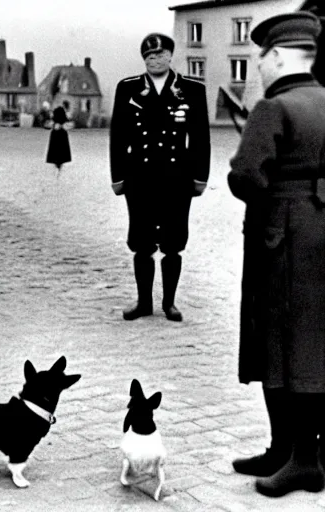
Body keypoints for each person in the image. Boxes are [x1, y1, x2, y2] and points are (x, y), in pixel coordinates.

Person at [228, 12, 325, 498]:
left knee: (283, 342)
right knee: (314, 336)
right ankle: (294, 451)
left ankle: (299, 458)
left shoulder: (273, 107)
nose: (260, 67)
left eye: (262, 57)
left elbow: (246, 177)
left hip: (282, 234)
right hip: (321, 229)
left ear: (281, 56)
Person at [109, 33, 210, 322]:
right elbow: (118, 136)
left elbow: (201, 138)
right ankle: (143, 303)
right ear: (144, 59)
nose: (155, 60)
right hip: (139, 177)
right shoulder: (128, 88)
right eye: (149, 56)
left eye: (161, 55)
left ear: (170, 56)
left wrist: (201, 176)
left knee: (173, 242)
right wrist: (117, 176)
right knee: (141, 242)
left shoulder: (190, 90)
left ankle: (169, 303)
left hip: (177, 178)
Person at [46, 105, 72, 176]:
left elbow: (47, 125)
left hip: (55, 135)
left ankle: (57, 167)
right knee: (62, 153)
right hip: (62, 136)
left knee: (55, 152)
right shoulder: (64, 121)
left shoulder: (54, 121)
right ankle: (59, 168)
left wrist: (54, 125)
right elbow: (70, 125)